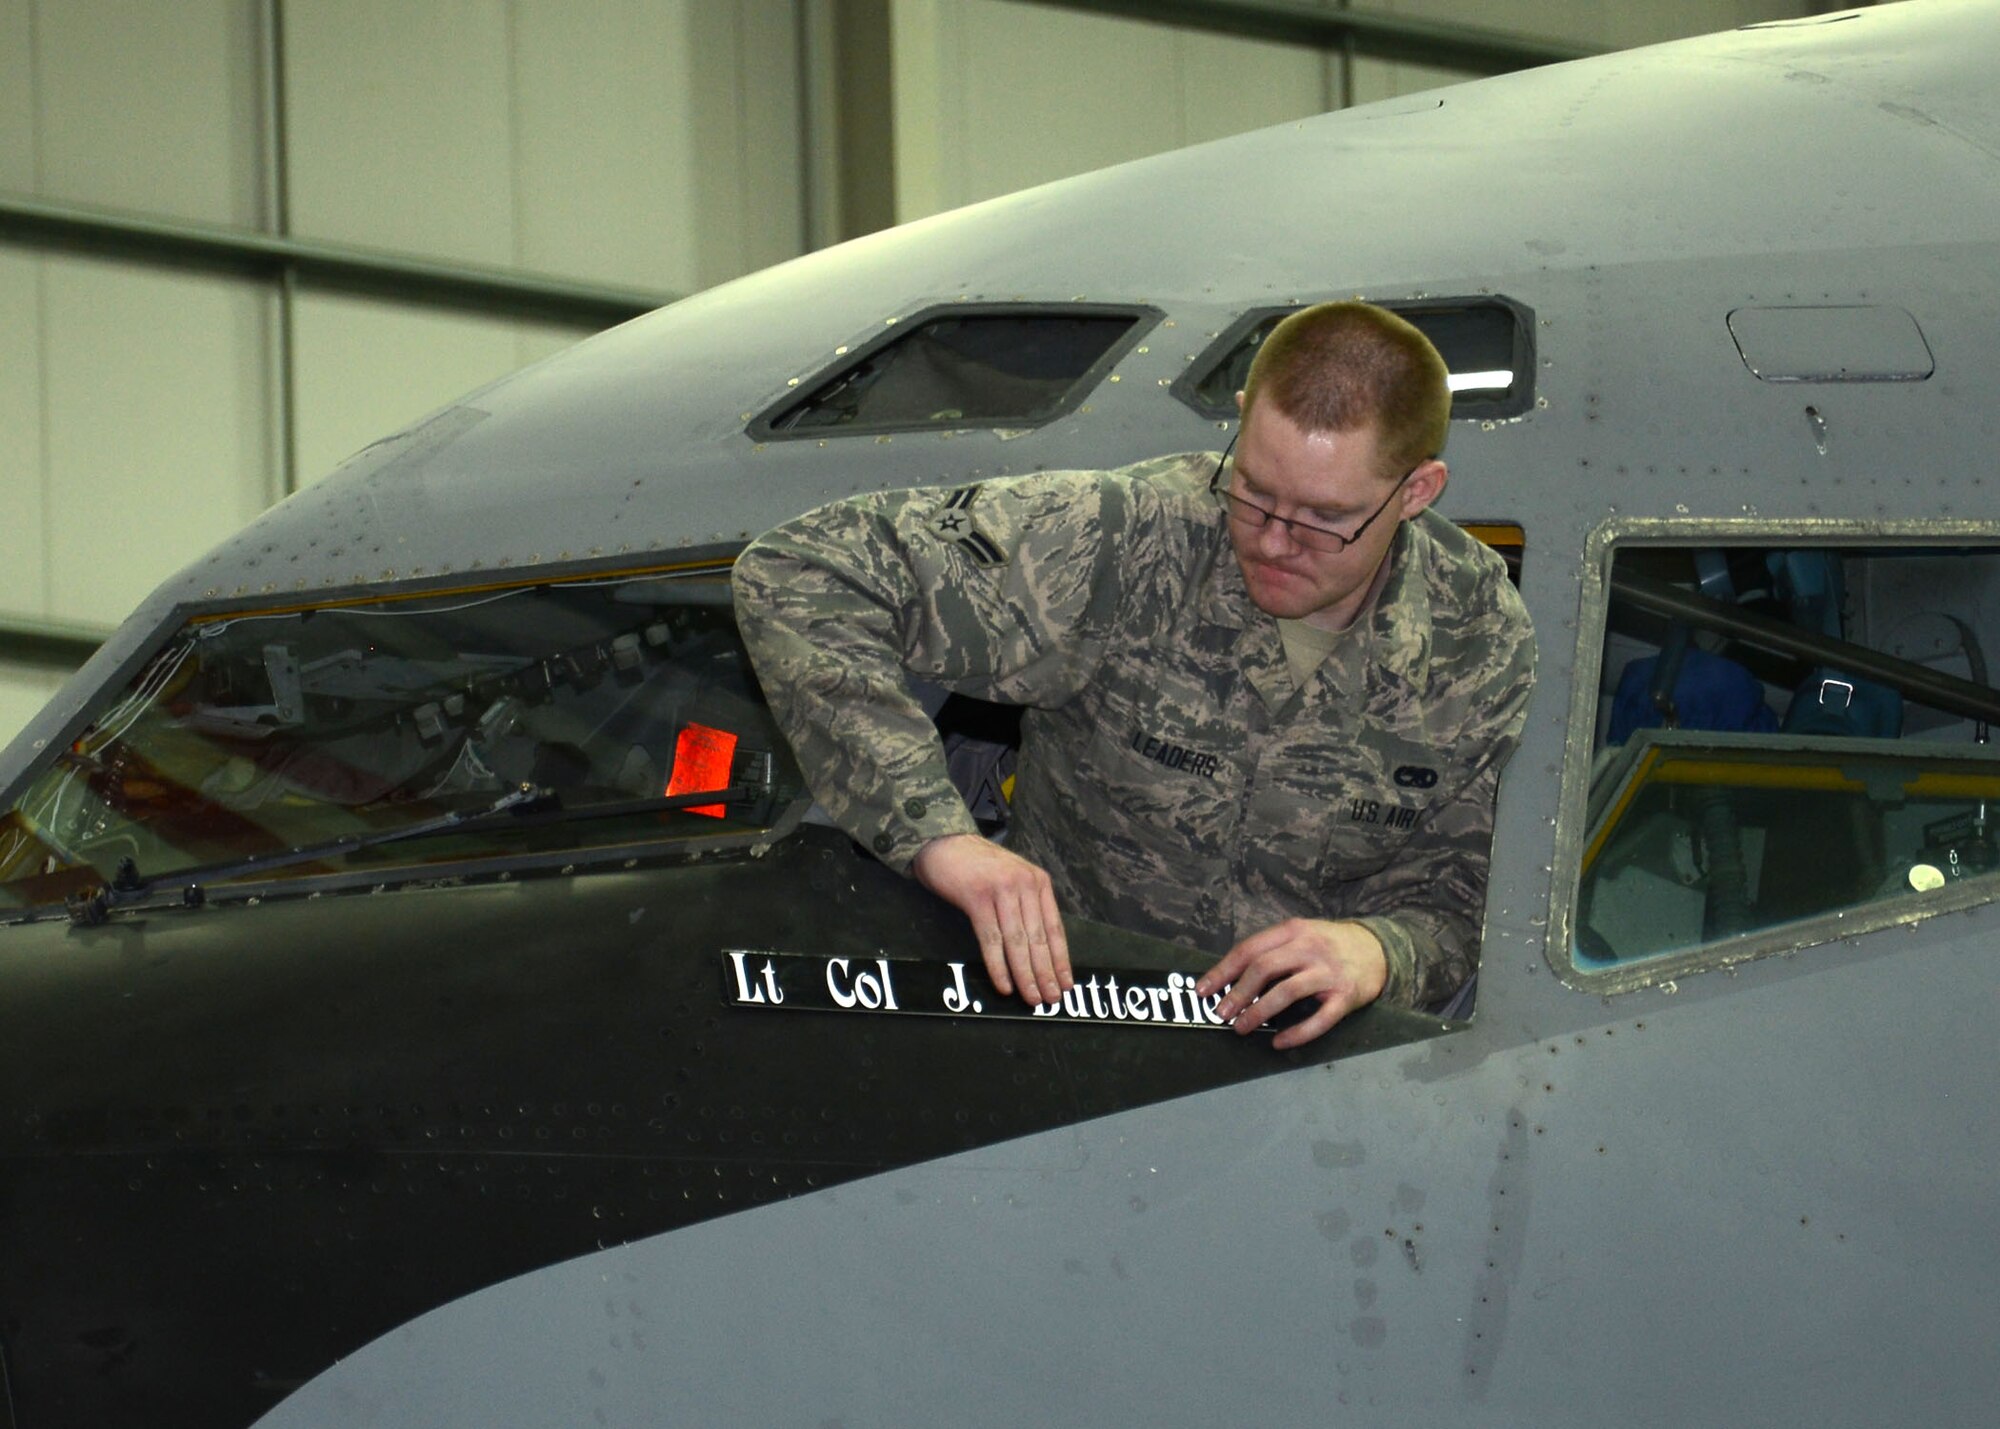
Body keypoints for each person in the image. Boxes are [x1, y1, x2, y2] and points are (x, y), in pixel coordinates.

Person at [731, 301, 1534, 1048]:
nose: (1272, 540)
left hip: (1297, 1082)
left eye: (1324, 518)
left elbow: (1465, 898)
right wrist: (939, 838)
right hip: (1067, 1032)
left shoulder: (1478, 642)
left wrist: (1378, 952)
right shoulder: (1126, 542)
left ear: (1417, 491)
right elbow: (800, 573)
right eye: (1252, 491)